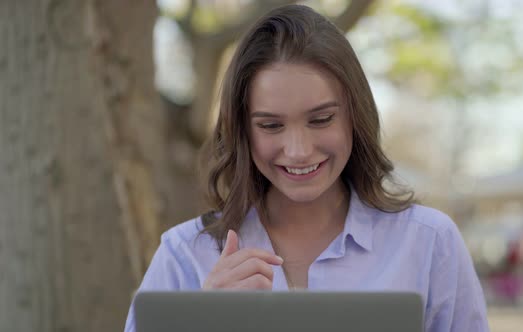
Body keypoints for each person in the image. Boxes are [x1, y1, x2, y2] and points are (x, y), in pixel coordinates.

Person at [124, 4, 489, 332]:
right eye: (270, 125)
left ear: (354, 117)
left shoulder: (428, 242)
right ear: (242, 132)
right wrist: (201, 322)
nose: (298, 151)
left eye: (321, 119)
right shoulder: (183, 254)